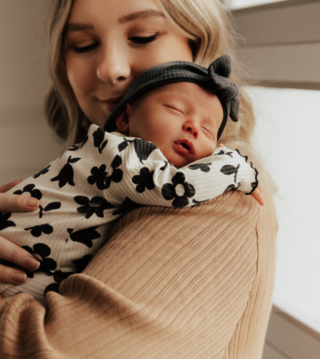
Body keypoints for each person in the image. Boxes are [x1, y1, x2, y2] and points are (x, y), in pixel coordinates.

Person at [0, 0, 277, 359]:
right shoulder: (93, 174)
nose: (110, 68)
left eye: (143, 36)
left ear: (197, 42)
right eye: (84, 44)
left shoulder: (220, 198)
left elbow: (52, 351)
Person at [0, 56, 263, 304]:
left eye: (206, 130)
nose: (193, 127)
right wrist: (235, 167)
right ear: (125, 119)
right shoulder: (118, 153)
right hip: (17, 266)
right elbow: (177, 187)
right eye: (176, 109)